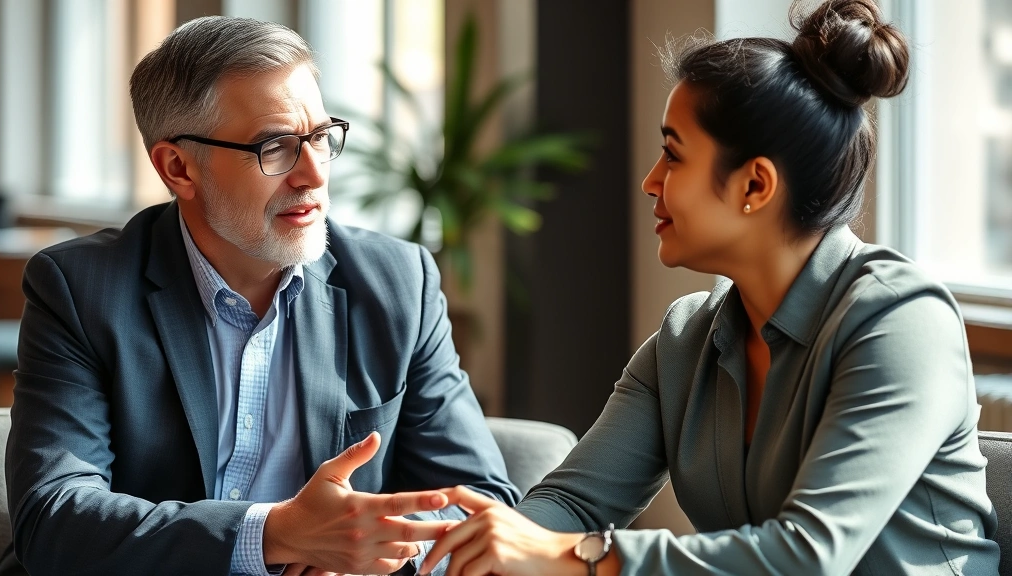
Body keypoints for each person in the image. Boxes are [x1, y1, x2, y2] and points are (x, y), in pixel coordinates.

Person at [419, 1, 1000, 574]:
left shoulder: (900, 319)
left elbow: (809, 556)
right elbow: (574, 503)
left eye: (673, 155)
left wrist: (581, 557)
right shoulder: (686, 340)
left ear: (754, 184)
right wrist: (471, 546)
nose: (651, 181)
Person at [0, 16, 519, 576]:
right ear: (178, 168)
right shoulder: (82, 289)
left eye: (320, 137)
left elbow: (481, 500)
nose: (313, 175)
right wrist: (274, 535)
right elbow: (56, 517)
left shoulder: (398, 282)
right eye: (275, 147)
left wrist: (369, 552)